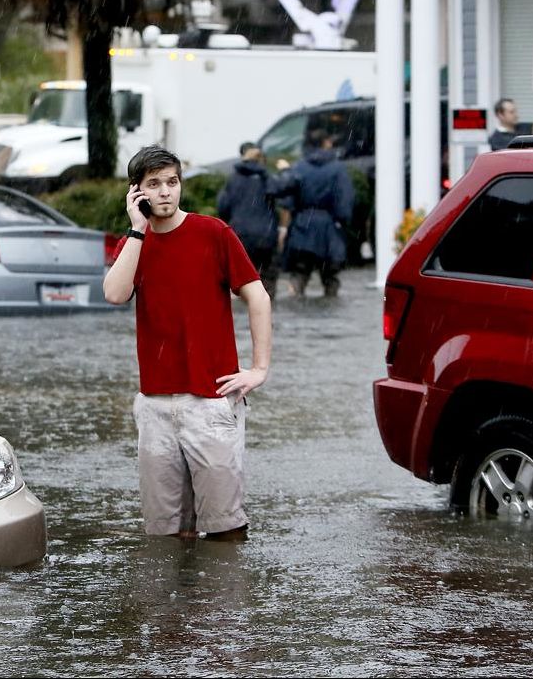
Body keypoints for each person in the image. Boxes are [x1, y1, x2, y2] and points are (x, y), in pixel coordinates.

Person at [103, 145, 272, 542]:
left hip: (211, 401)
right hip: (155, 405)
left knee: (226, 529)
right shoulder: (135, 244)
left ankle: (222, 603)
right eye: (154, 184)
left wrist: (259, 369)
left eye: (172, 183)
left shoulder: (212, 233)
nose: (165, 192)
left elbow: (258, 296)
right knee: (164, 534)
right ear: (137, 192)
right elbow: (114, 294)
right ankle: (173, 606)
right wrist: (136, 229)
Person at [280, 128, 353, 298]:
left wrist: (286, 226)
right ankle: (330, 305)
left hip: (302, 223)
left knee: (300, 271)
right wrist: (343, 221)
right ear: (326, 143)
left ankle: (296, 301)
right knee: (330, 274)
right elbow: (344, 199)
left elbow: (289, 198)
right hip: (328, 225)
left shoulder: (299, 167)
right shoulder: (337, 168)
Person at [217, 141, 285, 300]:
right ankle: (266, 312)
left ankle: (246, 309)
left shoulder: (233, 179)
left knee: (242, 278)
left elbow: (223, 206)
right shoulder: (267, 178)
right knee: (267, 278)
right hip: (266, 236)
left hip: (240, 235)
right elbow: (281, 192)